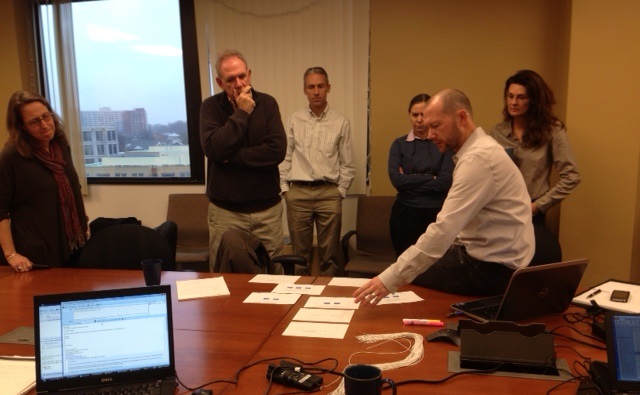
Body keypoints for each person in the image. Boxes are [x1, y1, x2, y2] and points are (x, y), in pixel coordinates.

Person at [354, 89, 535, 305]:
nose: (429, 135)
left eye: (435, 125)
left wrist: (388, 280)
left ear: (461, 118)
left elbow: (444, 229)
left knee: (406, 273)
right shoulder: (481, 150)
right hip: (497, 260)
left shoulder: (477, 160)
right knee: (410, 264)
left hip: (492, 269)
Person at [200, 50, 287, 272]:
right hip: (226, 212)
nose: (238, 83)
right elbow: (214, 148)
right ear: (220, 82)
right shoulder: (210, 107)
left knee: (271, 274)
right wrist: (242, 113)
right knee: (224, 276)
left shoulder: (267, 104)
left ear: (249, 74)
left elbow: (276, 151)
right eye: (231, 79)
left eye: (242, 76)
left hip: (266, 210)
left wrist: (231, 157)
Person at [0, 91, 89, 272]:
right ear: (21, 127)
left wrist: (83, 226)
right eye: (34, 122)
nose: (44, 125)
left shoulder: (61, 147)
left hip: (74, 247)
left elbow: (73, 188)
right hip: (37, 256)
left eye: (46, 116)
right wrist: (11, 254)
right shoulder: (11, 158)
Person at [279, 67, 355, 276]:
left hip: (329, 194)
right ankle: (299, 301)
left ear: (328, 88)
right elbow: (284, 157)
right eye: (311, 86)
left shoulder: (341, 122)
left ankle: (327, 302)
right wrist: (286, 190)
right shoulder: (294, 120)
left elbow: (347, 164)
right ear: (304, 90)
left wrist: (339, 192)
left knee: (330, 257)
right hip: (298, 194)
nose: (316, 91)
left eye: (320, 86)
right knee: (298, 257)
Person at [490, 70, 580, 226]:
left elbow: (572, 176)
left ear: (534, 100)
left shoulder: (552, 131)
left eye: (521, 97)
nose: (513, 102)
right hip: (499, 209)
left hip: (530, 209)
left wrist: (538, 205)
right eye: (510, 96)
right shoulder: (497, 132)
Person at [388, 94, 454, 258]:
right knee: (403, 266)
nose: (419, 120)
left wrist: (410, 181)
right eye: (414, 115)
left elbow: (445, 182)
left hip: (436, 214)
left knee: (436, 266)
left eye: (423, 114)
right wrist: (430, 177)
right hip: (405, 214)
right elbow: (397, 180)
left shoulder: (444, 143)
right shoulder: (399, 145)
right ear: (409, 116)